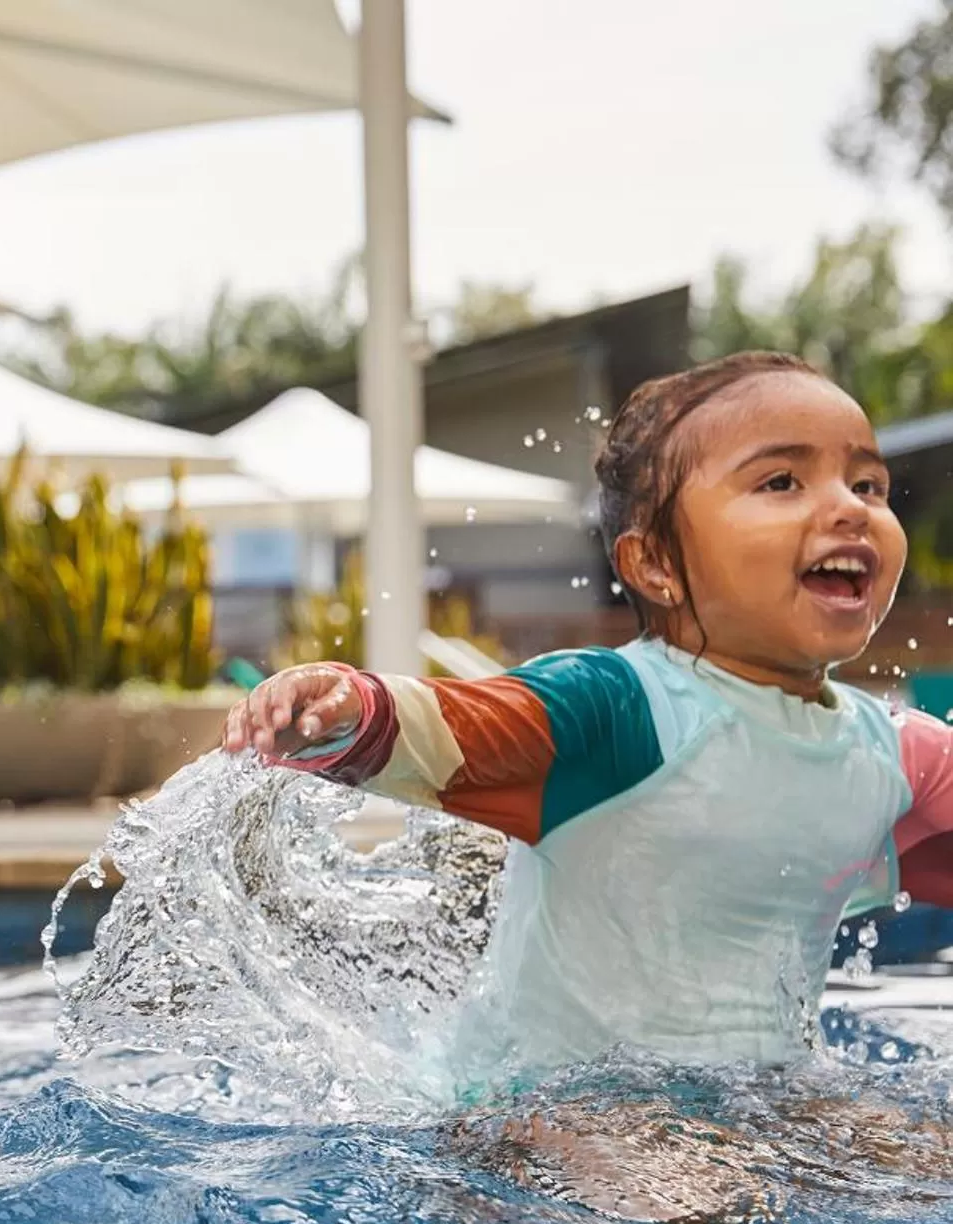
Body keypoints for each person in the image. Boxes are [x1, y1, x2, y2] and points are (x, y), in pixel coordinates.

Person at [224, 351, 953, 1084]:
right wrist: (351, 705)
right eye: (781, 481)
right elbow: (453, 725)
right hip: (527, 1117)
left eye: (868, 484)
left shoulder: (890, 756)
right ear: (656, 563)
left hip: (757, 1113)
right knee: (669, 1172)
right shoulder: (621, 707)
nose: (851, 507)